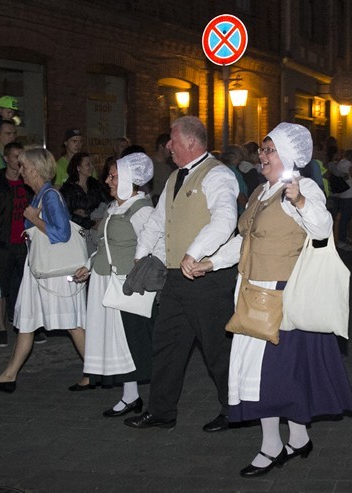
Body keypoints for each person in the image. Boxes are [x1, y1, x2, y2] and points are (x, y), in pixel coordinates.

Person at [194, 122, 352, 478]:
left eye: (269, 150)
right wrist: (212, 261)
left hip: (279, 296)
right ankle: (297, 438)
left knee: (268, 375)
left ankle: (273, 446)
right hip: (253, 289)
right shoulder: (260, 191)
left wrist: (298, 198)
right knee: (273, 374)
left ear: (289, 156)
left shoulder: (304, 187)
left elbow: (321, 227)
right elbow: (244, 240)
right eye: (262, 150)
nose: (262, 156)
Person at [123, 116, 238, 432]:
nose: (168, 146)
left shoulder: (218, 175)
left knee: (217, 348)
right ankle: (161, 411)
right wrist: (140, 256)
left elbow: (225, 220)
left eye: (172, 140)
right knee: (167, 345)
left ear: (191, 141)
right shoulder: (174, 178)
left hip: (207, 278)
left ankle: (235, 411)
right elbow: (157, 223)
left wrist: (195, 251)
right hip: (175, 279)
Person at [0, 147, 88, 393]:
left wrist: (34, 219)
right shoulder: (40, 195)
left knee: (72, 323)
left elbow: (61, 233)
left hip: (55, 274)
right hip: (39, 270)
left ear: (35, 170)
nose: (21, 170)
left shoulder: (49, 196)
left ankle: (95, 371)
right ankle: (9, 375)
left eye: (24, 166)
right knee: (27, 321)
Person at [73, 153, 156, 417]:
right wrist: (89, 263)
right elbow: (104, 244)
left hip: (124, 283)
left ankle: (148, 400)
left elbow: (155, 246)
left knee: (131, 340)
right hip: (103, 280)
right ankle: (130, 396)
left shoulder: (142, 210)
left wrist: (139, 272)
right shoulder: (112, 207)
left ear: (130, 180)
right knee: (115, 340)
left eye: (114, 176)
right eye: (110, 175)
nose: (108, 180)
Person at [0, 142, 33, 347]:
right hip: (3, 243)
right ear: (5, 158)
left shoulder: (27, 182)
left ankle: (27, 326)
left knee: (27, 287)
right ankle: (2, 328)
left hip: (25, 242)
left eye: (21, 156)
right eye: (14, 156)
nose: (18, 161)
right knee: (0, 288)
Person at [60, 152, 109, 251]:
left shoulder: (95, 185)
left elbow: (108, 203)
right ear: (78, 167)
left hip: (96, 234)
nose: (91, 167)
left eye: (92, 164)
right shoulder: (68, 189)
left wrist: (94, 217)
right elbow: (66, 215)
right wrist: (91, 223)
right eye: (87, 164)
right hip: (78, 235)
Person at [330, 149, 352, 251]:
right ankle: (342, 240)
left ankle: (342, 239)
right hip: (351, 194)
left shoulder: (341, 163)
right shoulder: (350, 166)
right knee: (345, 219)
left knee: (343, 218)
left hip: (342, 193)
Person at [149, 133, 173, 203]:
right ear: (161, 147)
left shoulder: (170, 165)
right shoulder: (150, 164)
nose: (171, 150)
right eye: (168, 147)